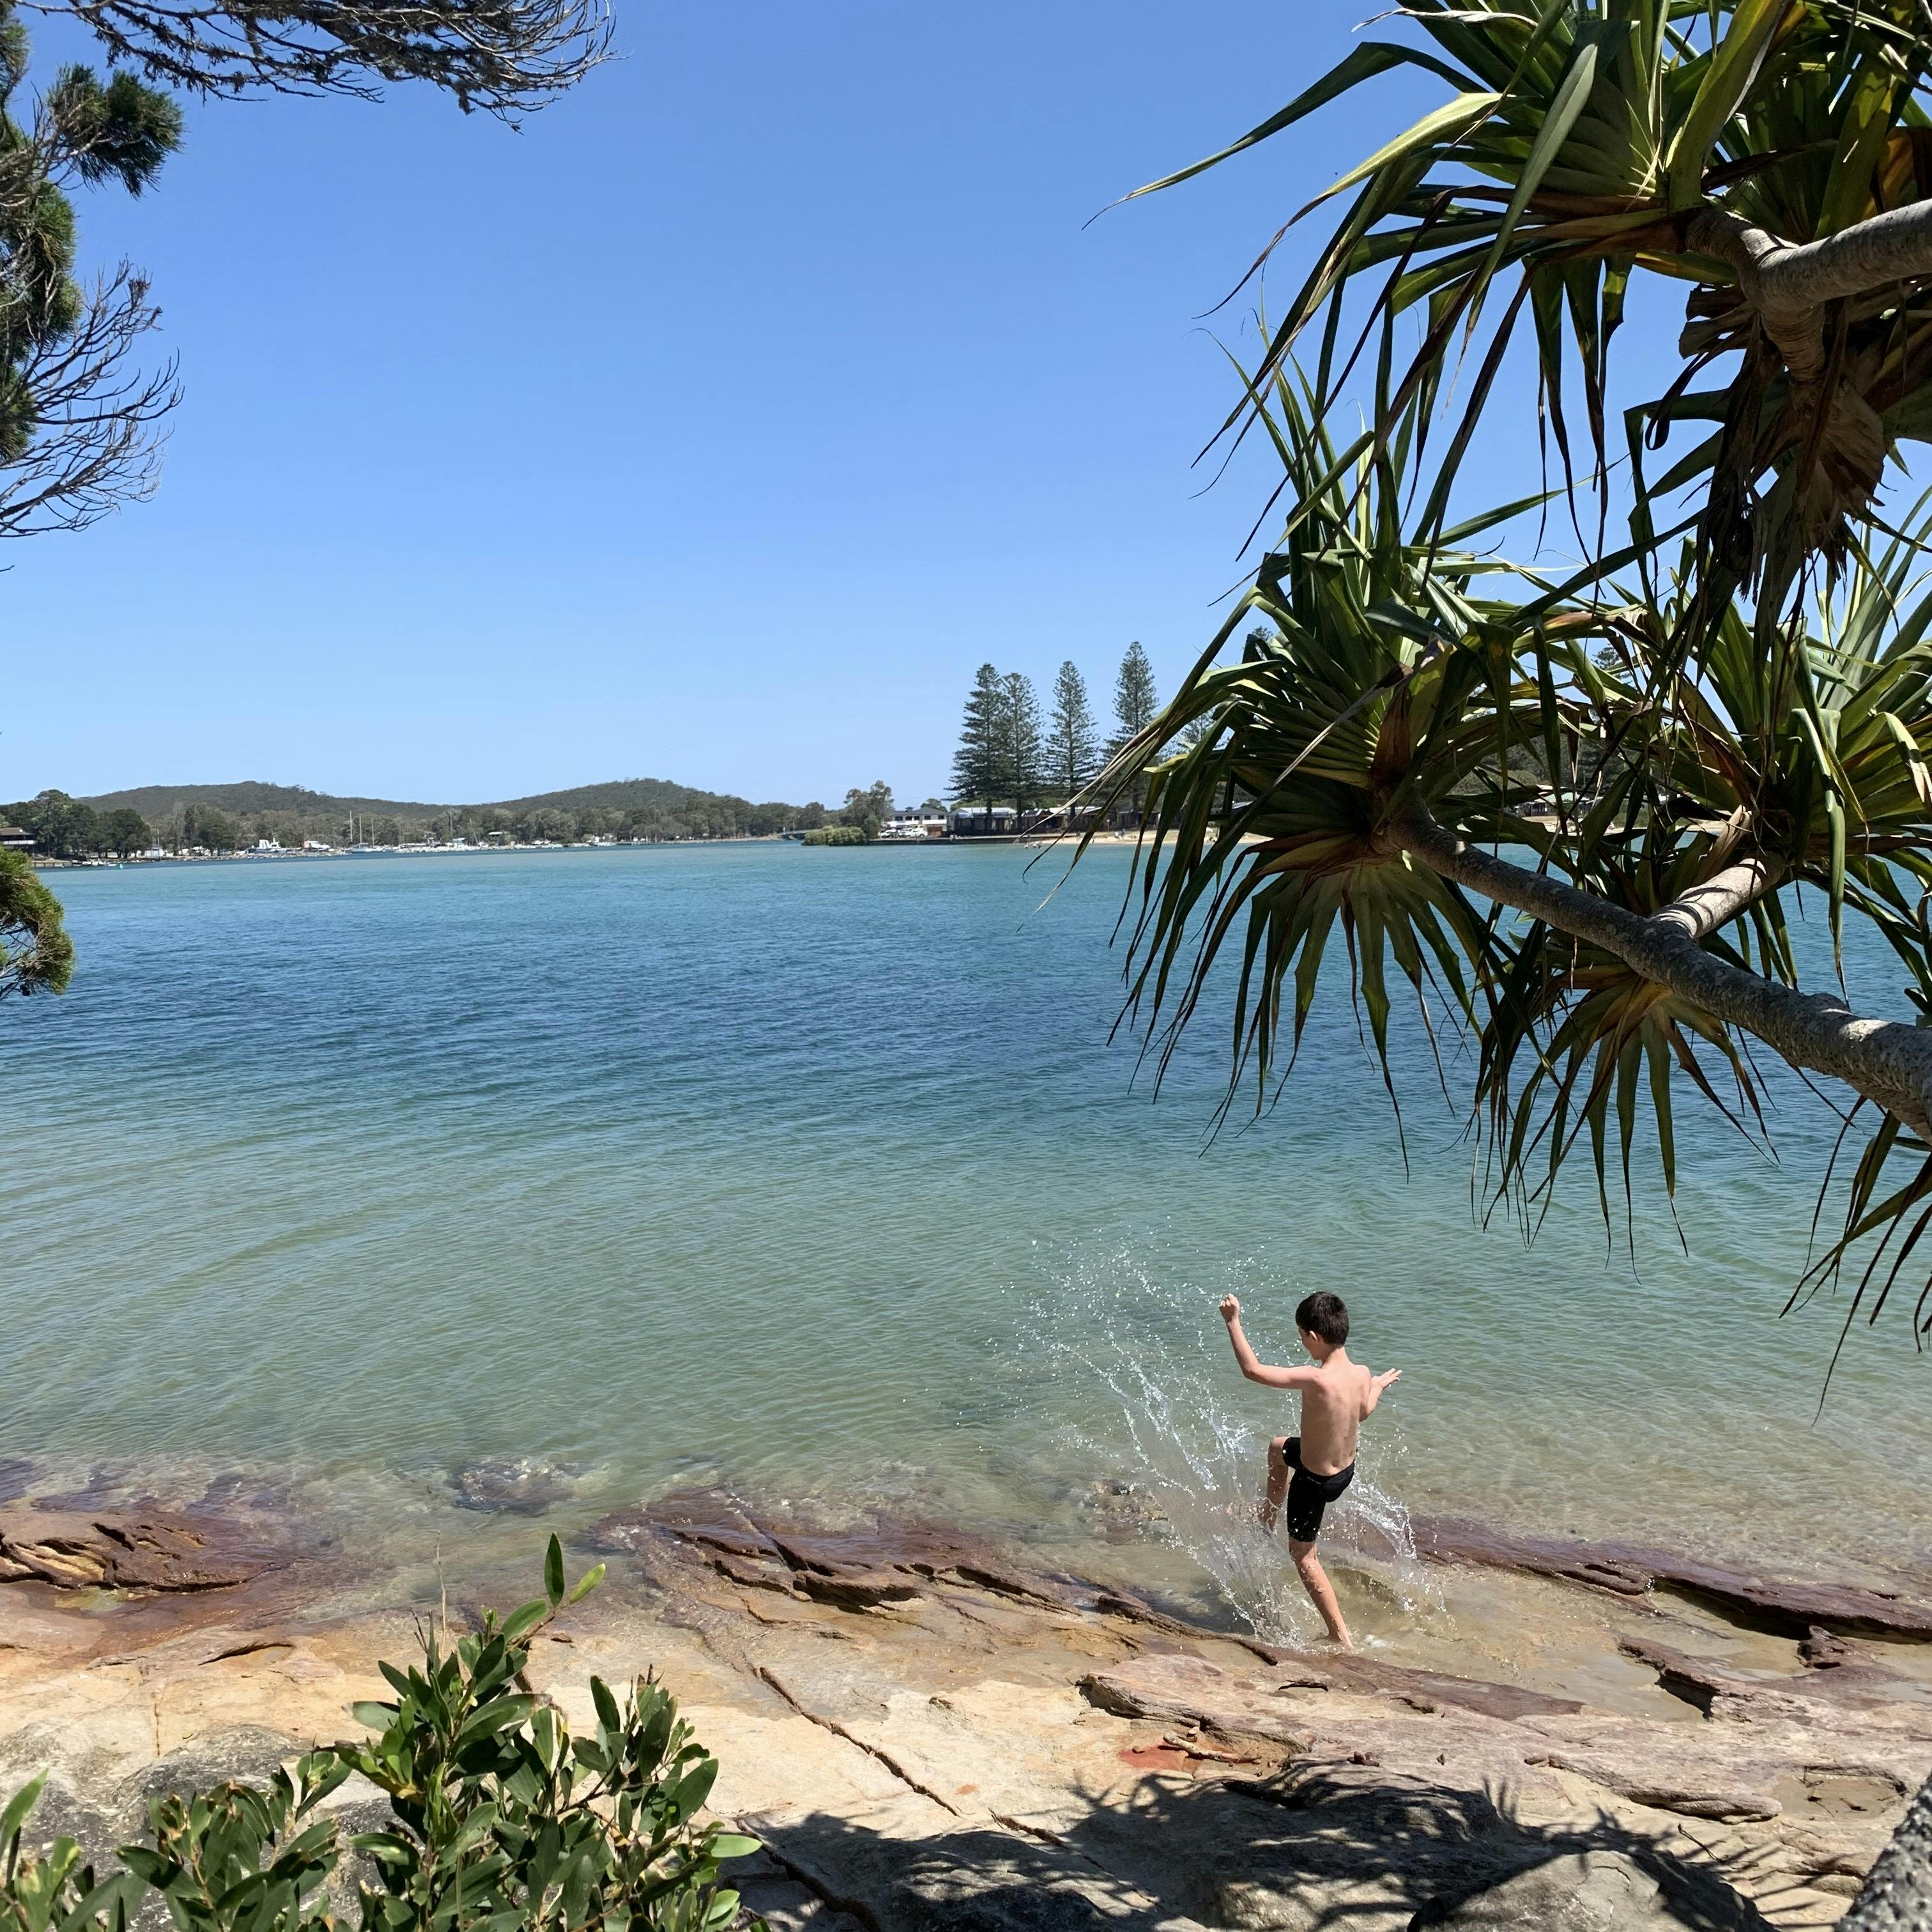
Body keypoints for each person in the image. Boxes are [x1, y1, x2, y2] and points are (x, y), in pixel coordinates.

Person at [1217, 1290, 1400, 1650]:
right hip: (1343, 1471)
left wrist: (1232, 1321)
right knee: (1277, 1448)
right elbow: (1362, 1412)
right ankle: (1266, 1517)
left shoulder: (1316, 1379)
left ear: (1314, 1338)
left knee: (1303, 1556)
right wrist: (1377, 1385)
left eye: (1302, 1338)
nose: (1303, 1344)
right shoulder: (1362, 1373)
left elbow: (1252, 1371)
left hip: (1316, 1482)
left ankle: (1339, 1634)